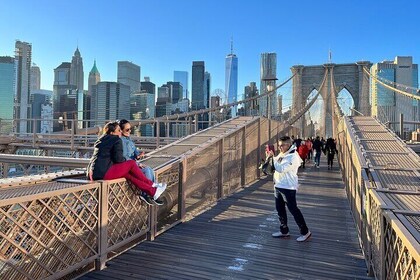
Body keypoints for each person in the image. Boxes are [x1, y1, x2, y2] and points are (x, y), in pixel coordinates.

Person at [87, 121, 167, 203]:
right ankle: (151, 184)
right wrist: (128, 162)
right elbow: (118, 159)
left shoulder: (100, 140)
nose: (120, 132)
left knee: (128, 175)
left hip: (93, 174)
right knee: (131, 164)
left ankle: (153, 192)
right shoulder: (116, 139)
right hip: (104, 173)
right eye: (118, 130)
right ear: (112, 133)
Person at [269, 136, 311, 242]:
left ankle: (305, 232)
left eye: (282, 145)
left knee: (293, 210)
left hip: (288, 187)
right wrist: (270, 157)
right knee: (280, 210)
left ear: (288, 145)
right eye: (278, 146)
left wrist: (273, 157)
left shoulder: (293, 156)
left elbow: (281, 168)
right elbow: (275, 165)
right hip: (278, 185)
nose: (280, 148)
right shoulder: (283, 154)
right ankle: (284, 231)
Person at [118, 119, 162, 205]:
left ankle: (152, 193)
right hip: (128, 166)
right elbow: (124, 157)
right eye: (127, 130)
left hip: (133, 164)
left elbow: (134, 152)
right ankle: (146, 194)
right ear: (121, 130)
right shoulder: (121, 141)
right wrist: (137, 164)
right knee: (146, 170)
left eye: (130, 129)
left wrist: (138, 155)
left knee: (149, 169)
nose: (130, 131)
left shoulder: (129, 139)